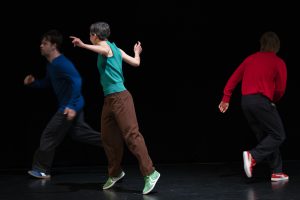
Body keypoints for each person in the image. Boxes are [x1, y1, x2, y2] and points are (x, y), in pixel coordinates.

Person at [70, 22, 160, 195]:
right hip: (109, 100)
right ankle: (116, 172)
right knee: (108, 137)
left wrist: (82, 45)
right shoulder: (117, 49)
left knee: (132, 136)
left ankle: (150, 173)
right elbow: (136, 63)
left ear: (95, 36)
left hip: (120, 98)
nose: (90, 37)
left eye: (90, 35)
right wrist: (136, 53)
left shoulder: (106, 47)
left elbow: (103, 51)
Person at [24, 29, 102, 179]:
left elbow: (77, 81)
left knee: (49, 135)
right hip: (74, 106)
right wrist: (34, 83)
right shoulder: (51, 65)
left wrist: (71, 106)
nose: (41, 46)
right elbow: (48, 82)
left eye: (45, 43)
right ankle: (111, 142)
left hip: (69, 107)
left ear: (53, 46)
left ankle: (41, 169)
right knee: (80, 133)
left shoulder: (62, 63)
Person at [218, 31, 289, 182]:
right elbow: (281, 89)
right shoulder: (278, 62)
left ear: (262, 45)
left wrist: (226, 98)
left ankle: (277, 172)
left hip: (246, 103)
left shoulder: (250, 59)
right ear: (277, 46)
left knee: (267, 136)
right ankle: (253, 156)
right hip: (261, 101)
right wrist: (273, 100)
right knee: (278, 135)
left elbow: (233, 78)